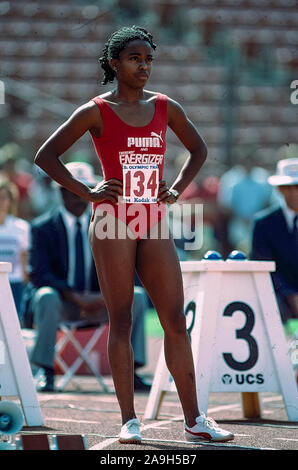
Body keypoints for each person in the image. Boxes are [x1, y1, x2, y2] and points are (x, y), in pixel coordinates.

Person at [34, 25, 234, 443]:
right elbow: (45, 155)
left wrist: (176, 188)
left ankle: (196, 419)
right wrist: (87, 191)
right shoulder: (95, 110)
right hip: (112, 221)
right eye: (134, 59)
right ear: (114, 63)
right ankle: (129, 421)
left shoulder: (165, 106)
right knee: (121, 320)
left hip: (153, 219)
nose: (143, 66)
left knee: (174, 321)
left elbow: (198, 149)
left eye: (148, 60)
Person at [25, 161, 150, 392]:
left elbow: (125, 267)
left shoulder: (110, 225)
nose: (80, 196)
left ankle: (132, 372)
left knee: (139, 296)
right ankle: (46, 370)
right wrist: (75, 297)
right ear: (61, 191)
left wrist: (103, 297)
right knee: (45, 296)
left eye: (87, 188)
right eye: (72, 189)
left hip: (101, 303)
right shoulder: (42, 228)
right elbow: (39, 274)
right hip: (62, 303)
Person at [251, 158, 298, 324]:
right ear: (280, 189)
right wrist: (290, 295)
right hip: (279, 298)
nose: (295, 193)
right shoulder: (264, 224)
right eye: (289, 187)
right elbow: (264, 267)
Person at [0, 178, 29, 321]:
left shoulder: (21, 227)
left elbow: (25, 256)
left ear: (10, 200)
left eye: (3, 197)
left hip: (14, 283)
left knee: (15, 322)